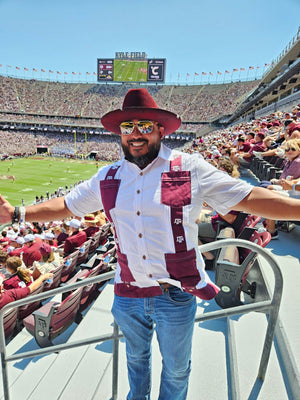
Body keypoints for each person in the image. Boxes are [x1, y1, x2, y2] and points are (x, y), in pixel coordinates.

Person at [1, 89, 300, 399]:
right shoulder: (107, 177)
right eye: (127, 127)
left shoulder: (190, 167)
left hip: (174, 294)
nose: (135, 134)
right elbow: (67, 205)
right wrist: (16, 213)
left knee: (176, 370)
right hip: (128, 295)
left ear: (160, 129)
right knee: (136, 364)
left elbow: (248, 197)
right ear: (119, 132)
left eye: (144, 125)